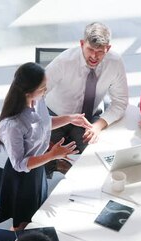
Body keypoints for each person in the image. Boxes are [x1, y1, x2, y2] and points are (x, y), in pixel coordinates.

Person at [0, 62, 92, 230]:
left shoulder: (37, 101)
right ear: (28, 92)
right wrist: (53, 155)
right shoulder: (12, 124)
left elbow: (43, 125)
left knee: (36, 214)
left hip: (38, 168)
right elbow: (20, 164)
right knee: (23, 223)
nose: (46, 91)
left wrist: (69, 118)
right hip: (23, 177)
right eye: (43, 88)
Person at [44, 22, 129, 174]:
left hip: (87, 119)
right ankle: (57, 166)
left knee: (98, 158)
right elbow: (35, 95)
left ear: (108, 48)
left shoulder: (115, 63)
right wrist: (41, 126)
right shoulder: (64, 62)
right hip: (55, 115)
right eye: (90, 49)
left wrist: (99, 125)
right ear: (82, 43)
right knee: (39, 150)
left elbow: (121, 102)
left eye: (100, 51)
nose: (94, 56)